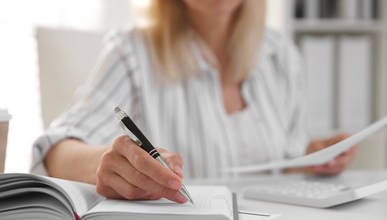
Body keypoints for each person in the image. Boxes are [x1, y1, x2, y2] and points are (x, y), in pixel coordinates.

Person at [31, 0, 357, 204]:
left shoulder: (279, 52)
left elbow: (285, 155)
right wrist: (111, 163)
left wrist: (311, 157)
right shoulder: (131, 51)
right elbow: (56, 150)